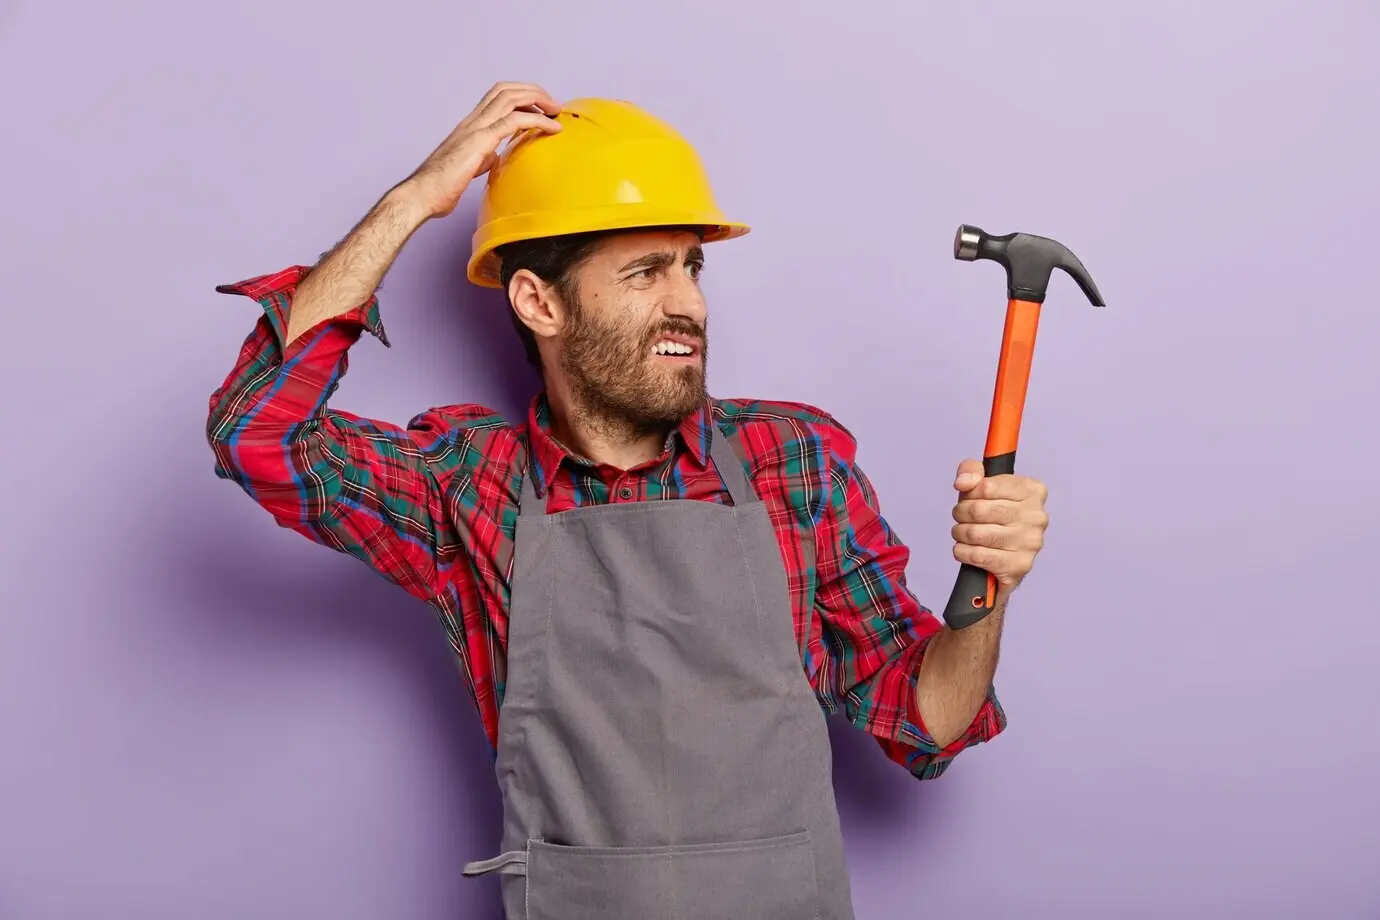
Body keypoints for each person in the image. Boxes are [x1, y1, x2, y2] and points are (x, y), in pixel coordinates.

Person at [206, 81, 1050, 920]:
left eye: (691, 265)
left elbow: (928, 720)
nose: (687, 301)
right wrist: (413, 202)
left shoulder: (790, 461)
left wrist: (988, 584)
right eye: (646, 270)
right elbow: (257, 434)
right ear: (538, 301)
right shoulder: (469, 485)